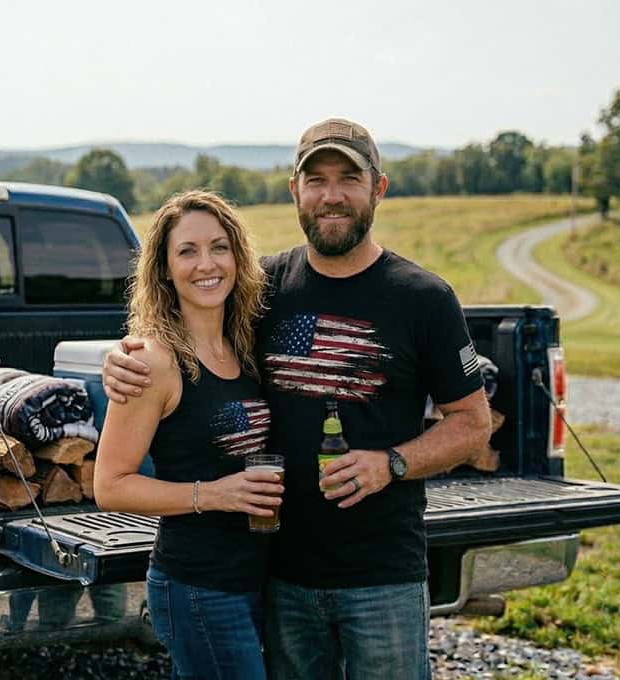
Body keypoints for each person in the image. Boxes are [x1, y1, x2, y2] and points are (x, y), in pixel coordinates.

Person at [103, 119, 493, 680]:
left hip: (381, 575)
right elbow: (185, 317)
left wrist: (391, 463)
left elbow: (472, 423)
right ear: (295, 191)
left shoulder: (424, 298)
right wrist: (120, 357)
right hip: (282, 577)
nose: (331, 196)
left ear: (377, 189)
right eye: (316, 180)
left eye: (348, 179)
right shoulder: (262, 288)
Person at [94, 190, 285, 680]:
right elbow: (110, 485)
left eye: (220, 247)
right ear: (163, 269)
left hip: (259, 579)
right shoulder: (152, 362)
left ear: (239, 258)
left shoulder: (244, 345)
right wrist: (214, 495)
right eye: (188, 251)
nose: (207, 264)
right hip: (199, 586)